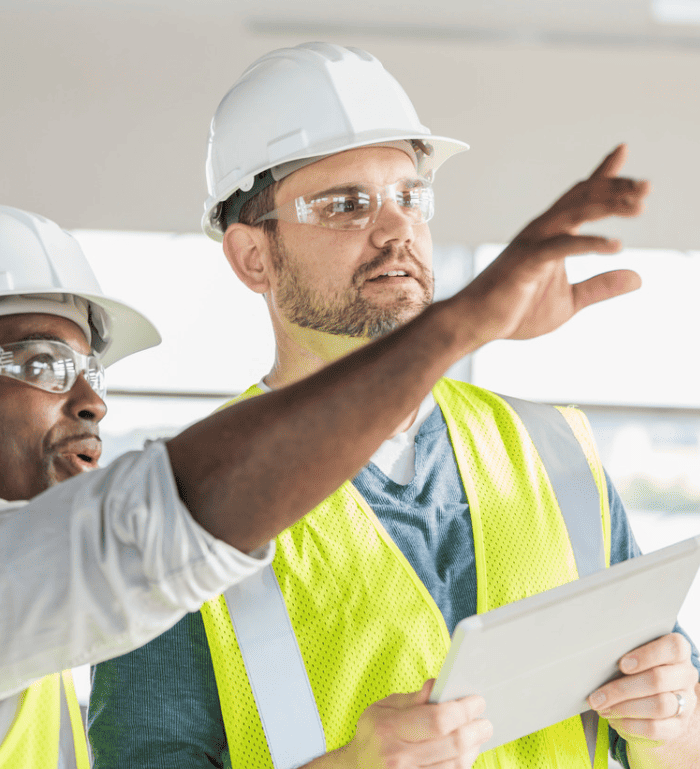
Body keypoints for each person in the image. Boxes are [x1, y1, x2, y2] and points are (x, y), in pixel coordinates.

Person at [88, 43, 699, 769]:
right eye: (346, 205)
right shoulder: (179, 505)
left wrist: (671, 722)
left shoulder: (553, 449)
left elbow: (670, 737)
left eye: (409, 196)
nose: (395, 230)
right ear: (254, 257)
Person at [2, 200, 616, 768]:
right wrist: (461, 324)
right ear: (253, 255)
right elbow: (165, 516)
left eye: (92, 373)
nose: (91, 402)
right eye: (41, 365)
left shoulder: (551, 447)